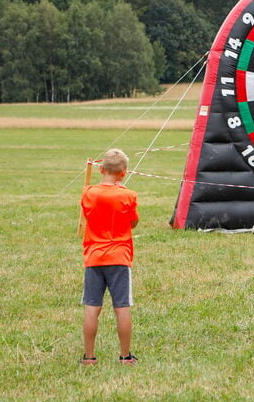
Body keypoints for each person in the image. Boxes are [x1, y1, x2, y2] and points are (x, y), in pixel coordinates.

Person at [80, 149, 140, 365]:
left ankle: (89, 357)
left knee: (92, 306)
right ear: (124, 173)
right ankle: (125, 356)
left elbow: (88, 214)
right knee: (122, 307)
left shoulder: (88, 192)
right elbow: (132, 223)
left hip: (94, 257)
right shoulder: (128, 195)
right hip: (120, 257)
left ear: (100, 168)